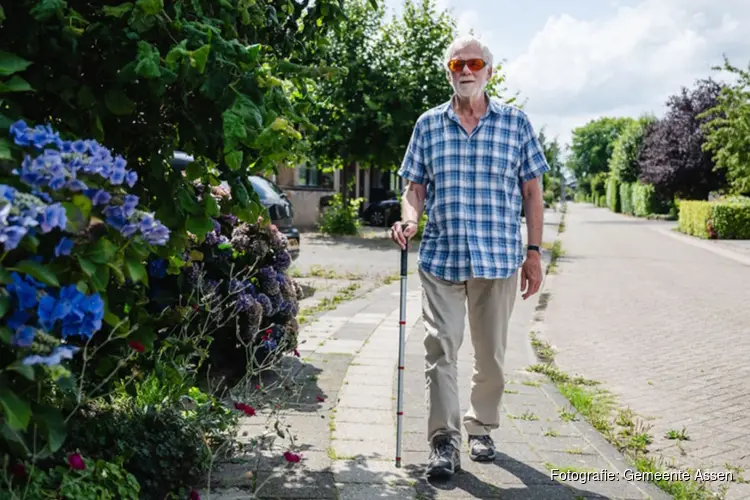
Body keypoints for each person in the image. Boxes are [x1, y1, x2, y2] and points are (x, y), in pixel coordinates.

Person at [390, 35, 549, 478]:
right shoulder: (428, 124)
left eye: (474, 63)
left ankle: (481, 426)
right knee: (440, 348)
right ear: (448, 71)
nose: (465, 70)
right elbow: (414, 188)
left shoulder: (516, 124)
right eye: (457, 63)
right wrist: (409, 219)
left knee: (492, 356)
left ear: (489, 72)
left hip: (498, 258)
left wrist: (533, 253)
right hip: (442, 255)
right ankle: (444, 440)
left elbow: (533, 192)